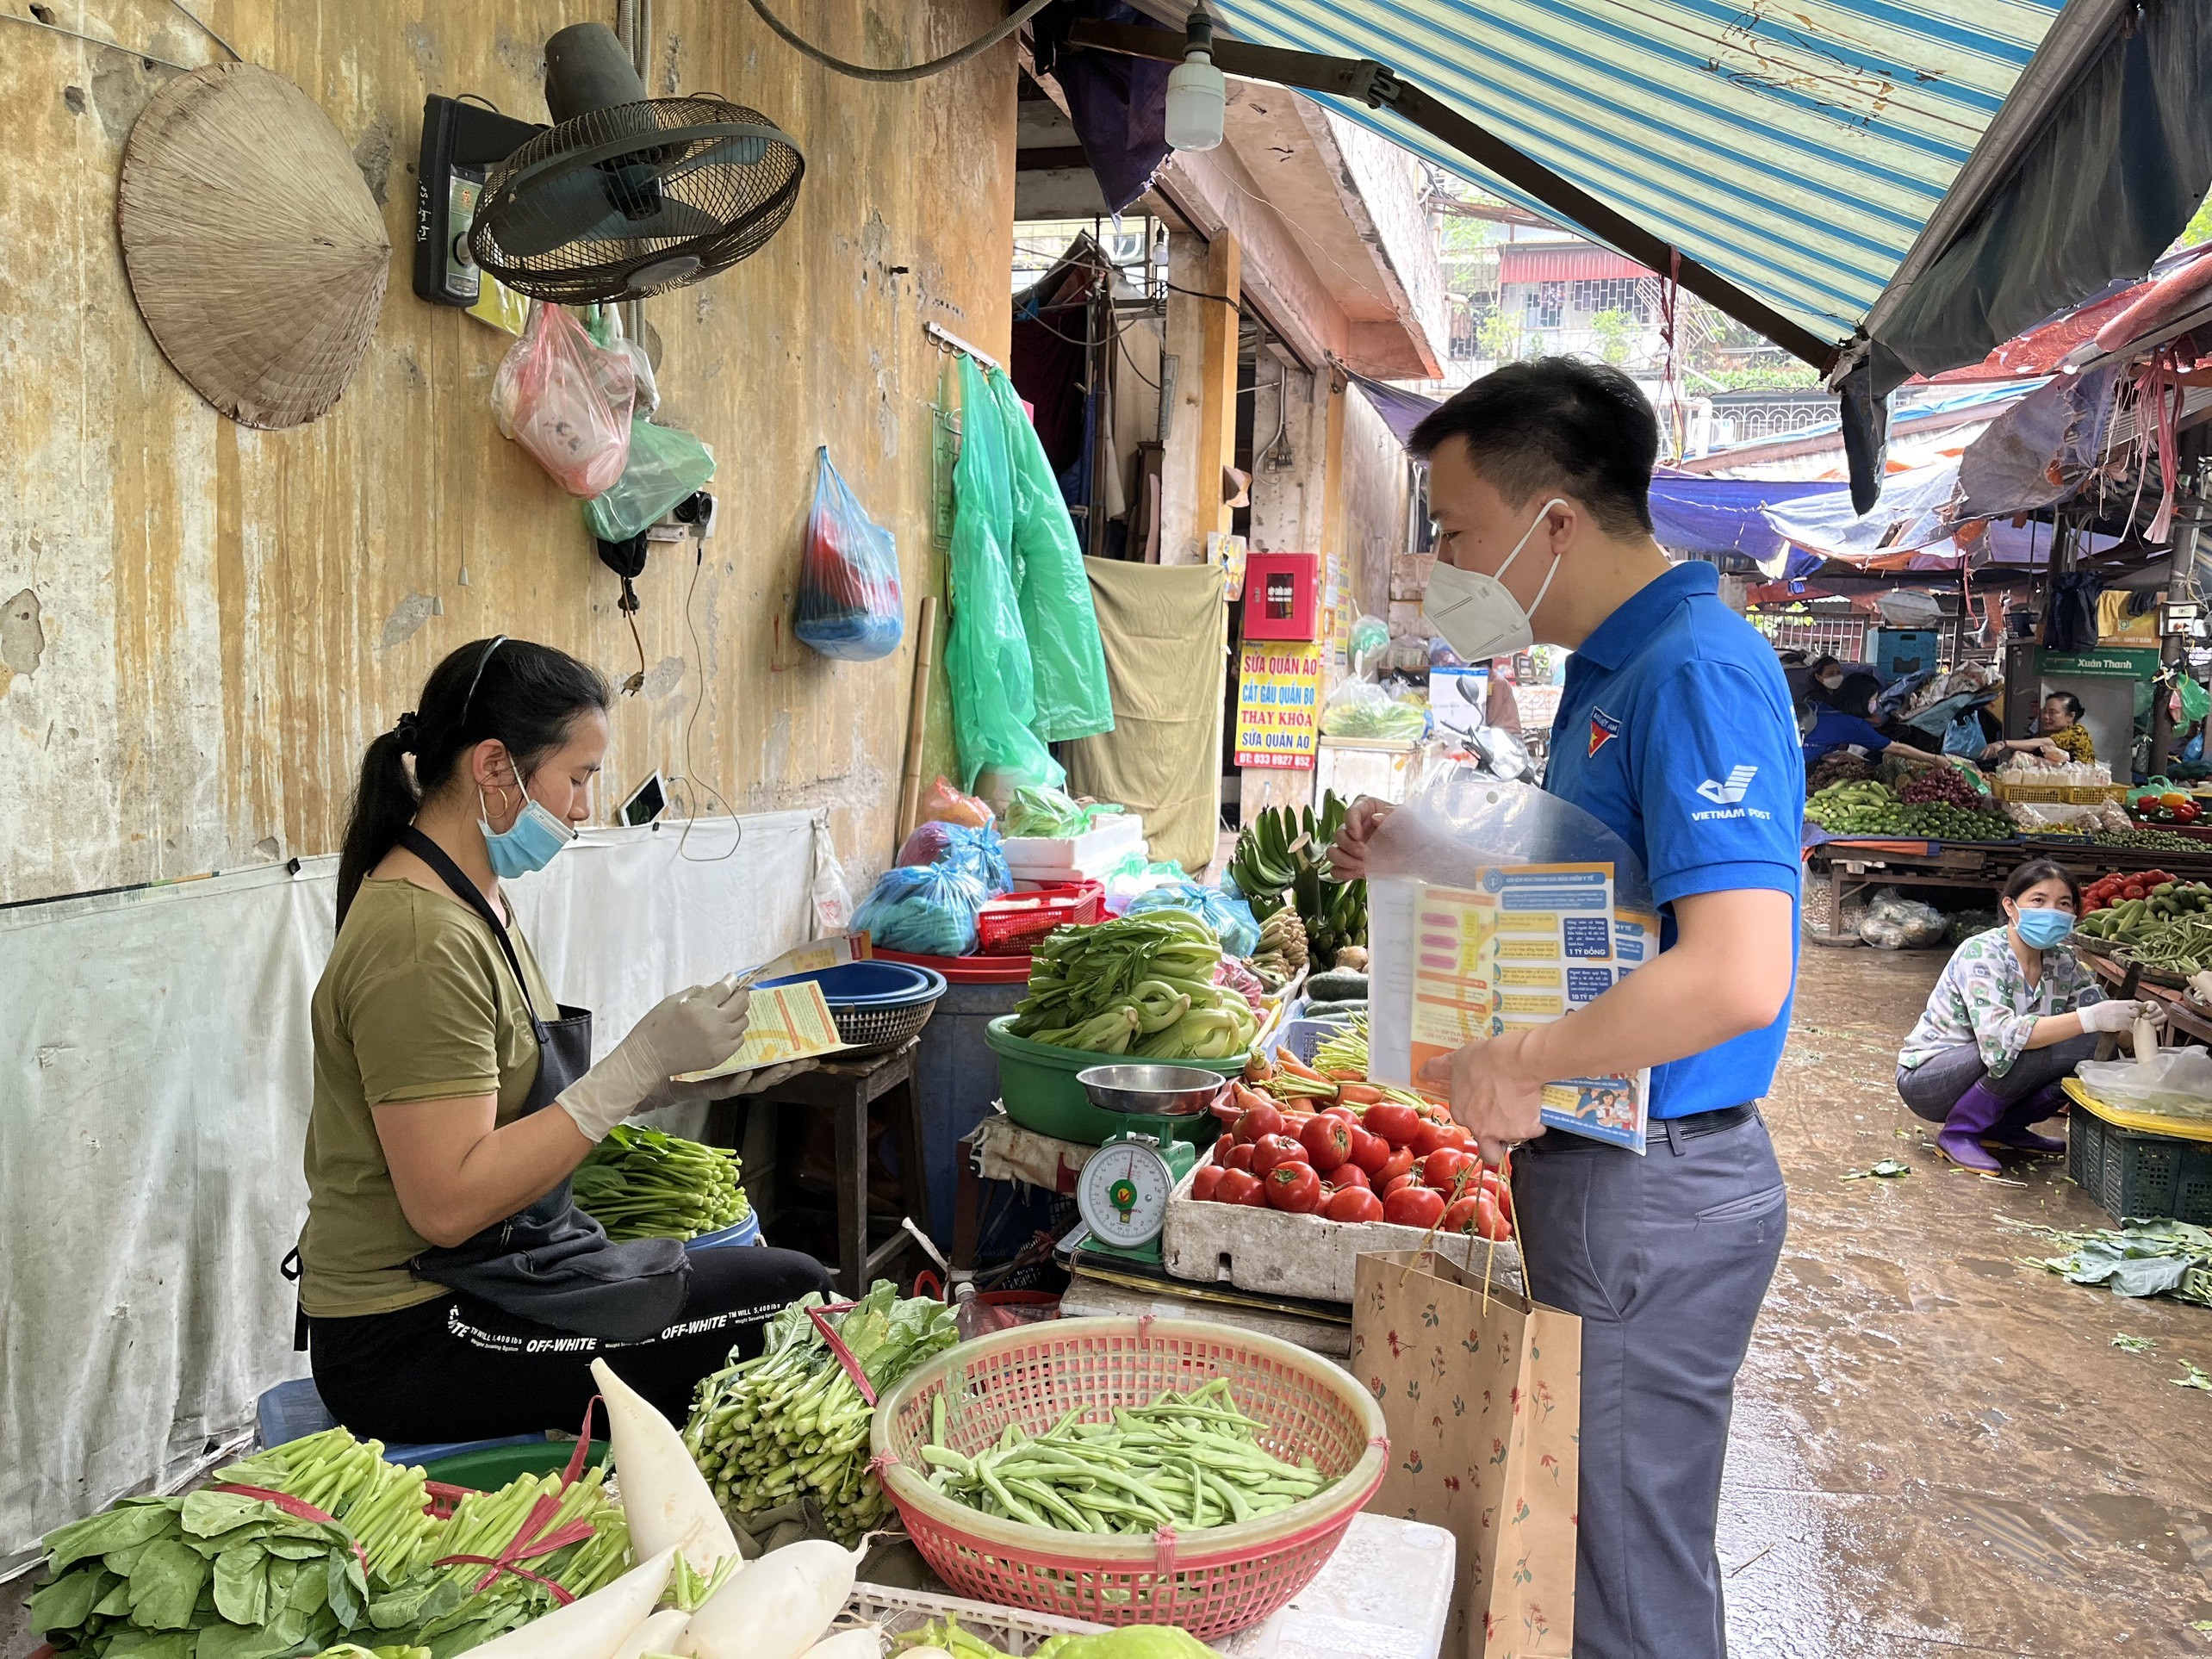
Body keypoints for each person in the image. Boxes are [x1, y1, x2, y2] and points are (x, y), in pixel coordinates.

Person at [1333, 357, 1798, 1659]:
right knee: (1587, 1534)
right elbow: (1610, 893)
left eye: (1456, 527)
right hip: (1612, 1165)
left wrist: (1518, 1060)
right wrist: (1433, 849)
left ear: (1554, 525)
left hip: (1659, 1178)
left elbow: (1734, 967)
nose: (1440, 560)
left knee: (1624, 1570)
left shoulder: (1694, 672)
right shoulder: (1611, 665)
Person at [298, 636, 835, 1443]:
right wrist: (636, 1065)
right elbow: (446, 1204)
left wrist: (680, 1075)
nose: (584, 809)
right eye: (578, 777)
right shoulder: (420, 939)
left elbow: (511, 1105)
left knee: (782, 1281)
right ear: (493, 767)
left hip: (497, 1269)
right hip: (409, 1331)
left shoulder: (475, 898)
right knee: (791, 1298)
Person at [1896, 860, 2142, 1171]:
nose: (2051, 911)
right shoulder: (1982, 952)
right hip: (1930, 1080)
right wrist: (2090, 1018)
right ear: (2011, 907)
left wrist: (2137, 1018)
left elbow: (2106, 1029)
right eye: (2038, 900)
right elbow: (2002, 1037)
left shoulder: (2063, 960)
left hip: (1990, 1071)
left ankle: (2003, 1128)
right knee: (2027, 1046)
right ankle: (1960, 1132)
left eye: (2063, 903)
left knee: (2093, 1051)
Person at [1800, 672, 1943, 769]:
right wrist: (1935, 759)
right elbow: (1897, 749)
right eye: (1873, 699)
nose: (1875, 704)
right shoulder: (1852, 724)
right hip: (1789, 766)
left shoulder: (1822, 706)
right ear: (1861, 700)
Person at [2041, 689, 2096, 762]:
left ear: (2071, 716)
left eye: (2052, 713)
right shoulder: (2049, 734)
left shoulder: (2078, 734)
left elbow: (2046, 743)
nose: (2046, 716)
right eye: (2044, 712)